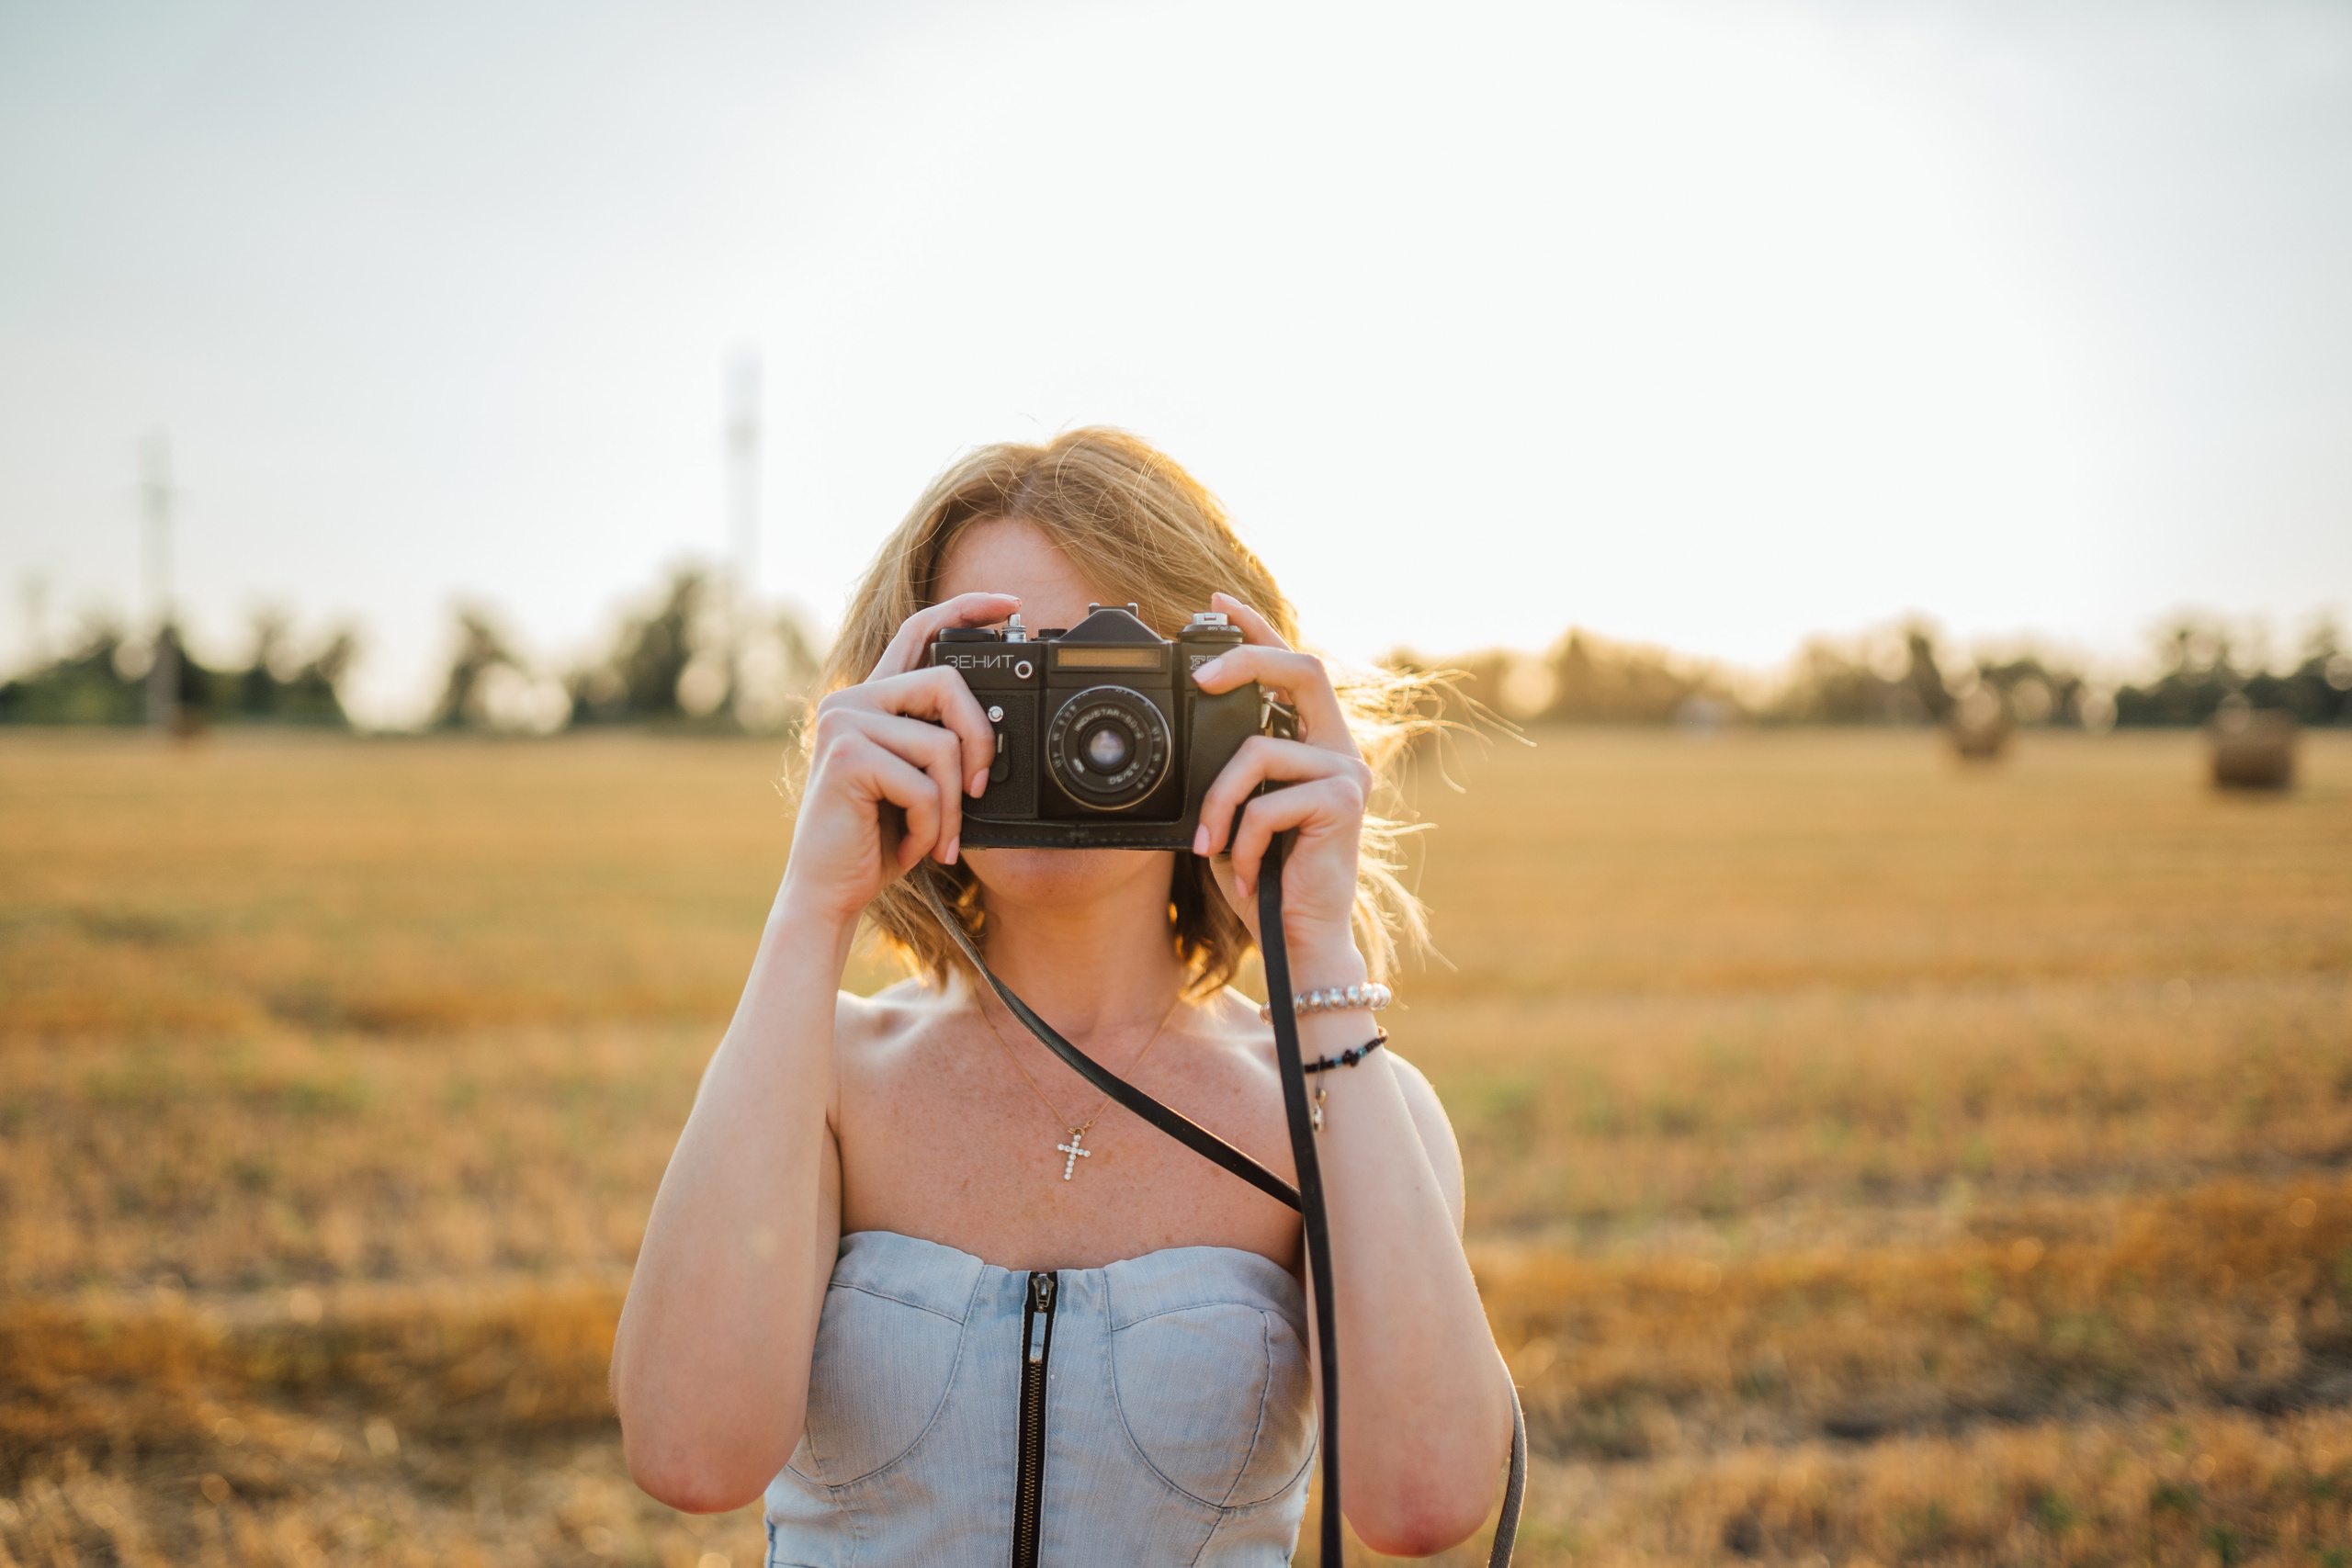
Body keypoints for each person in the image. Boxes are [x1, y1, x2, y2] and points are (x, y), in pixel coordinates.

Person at [613, 428, 1515, 1564]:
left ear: (1241, 710)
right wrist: (812, 906)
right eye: (1007, 678)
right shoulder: (824, 1074)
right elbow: (689, 1456)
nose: (1070, 732)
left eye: (1116, 675)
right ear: (899, 700)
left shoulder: (1339, 1100)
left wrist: (1316, 952)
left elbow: (1422, 1502)